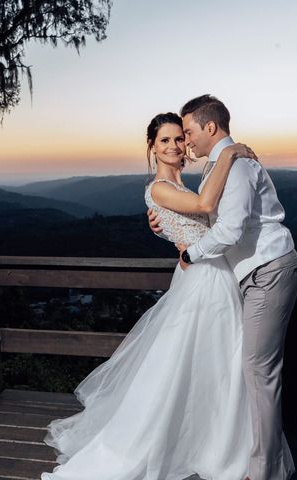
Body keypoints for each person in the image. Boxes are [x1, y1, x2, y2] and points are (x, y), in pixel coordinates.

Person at [40, 112, 257, 480]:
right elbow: (205, 207)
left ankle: (209, 441)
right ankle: (194, 445)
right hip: (202, 280)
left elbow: (194, 220)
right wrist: (230, 153)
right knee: (195, 362)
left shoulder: (178, 186)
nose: (174, 146)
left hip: (208, 275)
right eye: (164, 141)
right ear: (152, 148)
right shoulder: (158, 187)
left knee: (210, 363)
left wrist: (170, 232)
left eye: (178, 139)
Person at [150, 95, 297, 480]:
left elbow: (229, 229)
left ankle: (262, 471)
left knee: (255, 369)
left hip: (263, 269)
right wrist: (164, 225)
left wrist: (191, 254)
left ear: (210, 128)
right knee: (238, 367)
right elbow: (204, 211)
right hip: (239, 276)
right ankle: (223, 447)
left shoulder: (234, 164)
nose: (183, 143)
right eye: (170, 138)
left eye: (185, 133)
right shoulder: (221, 163)